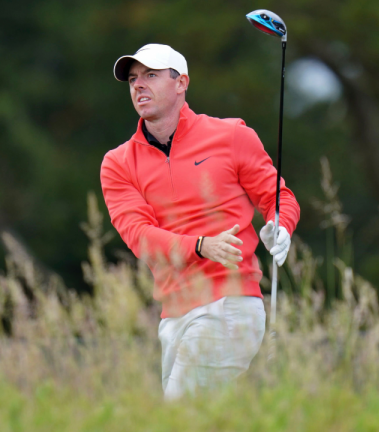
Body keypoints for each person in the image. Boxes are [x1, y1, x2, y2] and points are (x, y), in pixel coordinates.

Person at [100, 43, 300, 399]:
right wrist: (200, 246)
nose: (138, 85)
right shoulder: (118, 163)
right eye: (132, 79)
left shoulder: (233, 136)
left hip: (231, 303)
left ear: (181, 83)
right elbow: (140, 236)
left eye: (150, 75)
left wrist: (281, 225)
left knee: (179, 415)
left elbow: (277, 197)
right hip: (173, 315)